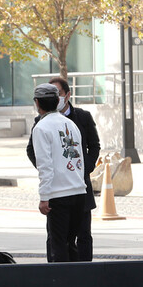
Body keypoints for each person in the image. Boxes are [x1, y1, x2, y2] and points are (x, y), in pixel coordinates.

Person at [25, 76, 100, 262]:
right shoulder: (71, 124)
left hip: (59, 194)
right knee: (71, 243)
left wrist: (44, 197)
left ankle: (61, 286)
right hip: (79, 191)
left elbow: (45, 166)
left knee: (58, 245)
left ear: (37, 102)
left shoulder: (41, 127)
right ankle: (78, 282)